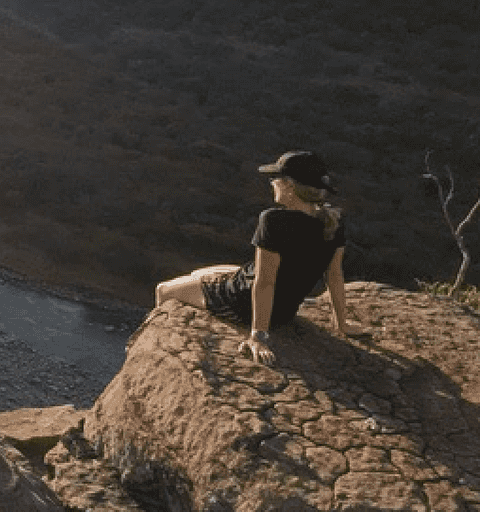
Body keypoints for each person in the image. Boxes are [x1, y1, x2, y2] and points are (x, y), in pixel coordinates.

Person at [153, 150, 370, 365]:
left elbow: (265, 282)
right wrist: (342, 324)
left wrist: (257, 335)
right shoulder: (333, 221)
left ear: (289, 186)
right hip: (284, 311)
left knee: (163, 289)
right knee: (202, 273)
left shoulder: (273, 220)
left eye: (276, 178)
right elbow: (334, 275)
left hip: (243, 304)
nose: (272, 182)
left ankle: (154, 347)